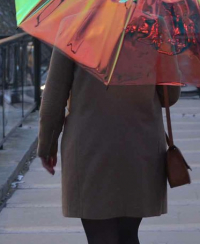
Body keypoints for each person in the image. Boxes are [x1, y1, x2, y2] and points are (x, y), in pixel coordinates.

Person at [38, 49, 181, 244]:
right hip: (140, 143)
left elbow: (54, 97)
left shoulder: (74, 26)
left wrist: (47, 146)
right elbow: (169, 96)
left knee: (99, 235)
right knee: (129, 234)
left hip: (90, 145)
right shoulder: (152, 26)